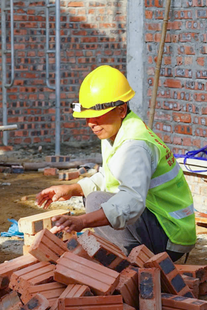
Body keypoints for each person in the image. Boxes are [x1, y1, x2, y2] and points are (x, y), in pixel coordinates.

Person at [35, 65, 196, 261]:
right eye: (87, 117)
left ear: (121, 110)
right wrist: (71, 189)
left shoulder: (135, 145)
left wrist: (82, 221)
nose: (90, 123)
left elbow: (131, 202)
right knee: (92, 198)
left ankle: (131, 263)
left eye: (97, 116)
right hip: (163, 226)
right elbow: (109, 177)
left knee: (95, 201)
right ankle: (115, 255)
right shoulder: (116, 132)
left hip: (171, 236)